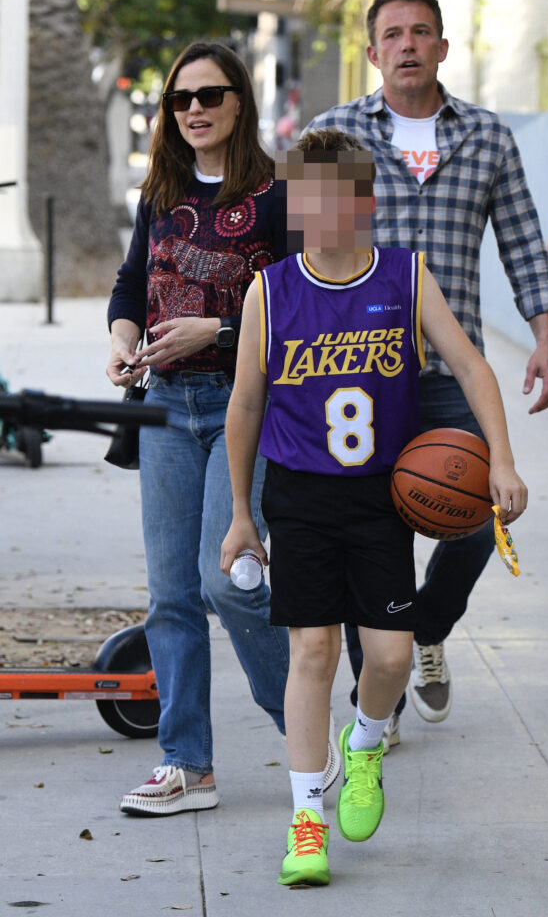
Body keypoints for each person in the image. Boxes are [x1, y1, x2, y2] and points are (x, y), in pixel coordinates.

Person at [219, 128, 527, 886]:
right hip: (298, 495)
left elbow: (470, 364)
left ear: (365, 202)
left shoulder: (405, 276)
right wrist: (239, 512)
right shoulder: (271, 290)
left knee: (388, 656)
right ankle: (305, 822)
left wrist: (503, 460)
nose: (326, 212)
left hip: (381, 495)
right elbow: (246, 403)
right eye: (310, 199)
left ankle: (362, 743)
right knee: (313, 652)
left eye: (341, 197)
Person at [304, 0, 548, 743]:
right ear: (373, 50)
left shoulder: (487, 137)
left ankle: (424, 632)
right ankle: (369, 702)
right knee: (366, 536)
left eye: (422, 32)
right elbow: (299, 252)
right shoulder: (334, 132)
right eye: (393, 33)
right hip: (358, 372)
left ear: (442, 48)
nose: (408, 44)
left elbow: (521, 242)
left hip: (450, 373)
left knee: (475, 520)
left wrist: (543, 338)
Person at [106, 42, 299, 816]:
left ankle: (310, 730)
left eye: (210, 95)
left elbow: (320, 304)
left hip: (245, 403)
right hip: (163, 407)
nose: (193, 109)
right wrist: (123, 337)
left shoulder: (290, 188)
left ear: (240, 102)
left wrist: (217, 333)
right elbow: (130, 283)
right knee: (172, 596)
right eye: (180, 98)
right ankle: (187, 763)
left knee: (231, 580)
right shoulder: (160, 190)